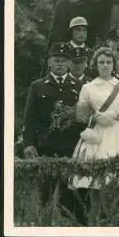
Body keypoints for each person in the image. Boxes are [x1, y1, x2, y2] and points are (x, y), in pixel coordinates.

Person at [68, 47, 119, 224]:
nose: (105, 66)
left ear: (114, 64)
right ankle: (94, 225)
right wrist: (95, 117)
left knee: (115, 183)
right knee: (94, 185)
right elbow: (80, 115)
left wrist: (113, 115)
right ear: (95, 65)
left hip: (117, 134)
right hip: (96, 136)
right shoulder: (88, 87)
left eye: (108, 62)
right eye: (101, 62)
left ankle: (115, 224)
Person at [22, 42, 84, 217]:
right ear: (49, 62)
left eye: (64, 61)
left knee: (70, 194)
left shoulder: (79, 86)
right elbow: (29, 118)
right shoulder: (38, 86)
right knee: (45, 191)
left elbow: (83, 118)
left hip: (70, 148)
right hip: (45, 146)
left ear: (70, 64)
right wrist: (29, 144)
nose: (60, 64)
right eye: (56, 60)